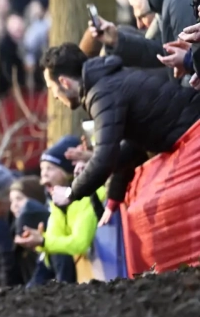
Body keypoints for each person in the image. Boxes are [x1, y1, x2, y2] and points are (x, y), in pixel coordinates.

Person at [41, 43, 200, 221]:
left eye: (51, 88)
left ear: (64, 82)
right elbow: (132, 143)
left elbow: (105, 158)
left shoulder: (101, 94)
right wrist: (114, 197)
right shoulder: (106, 83)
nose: (54, 96)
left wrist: (71, 192)